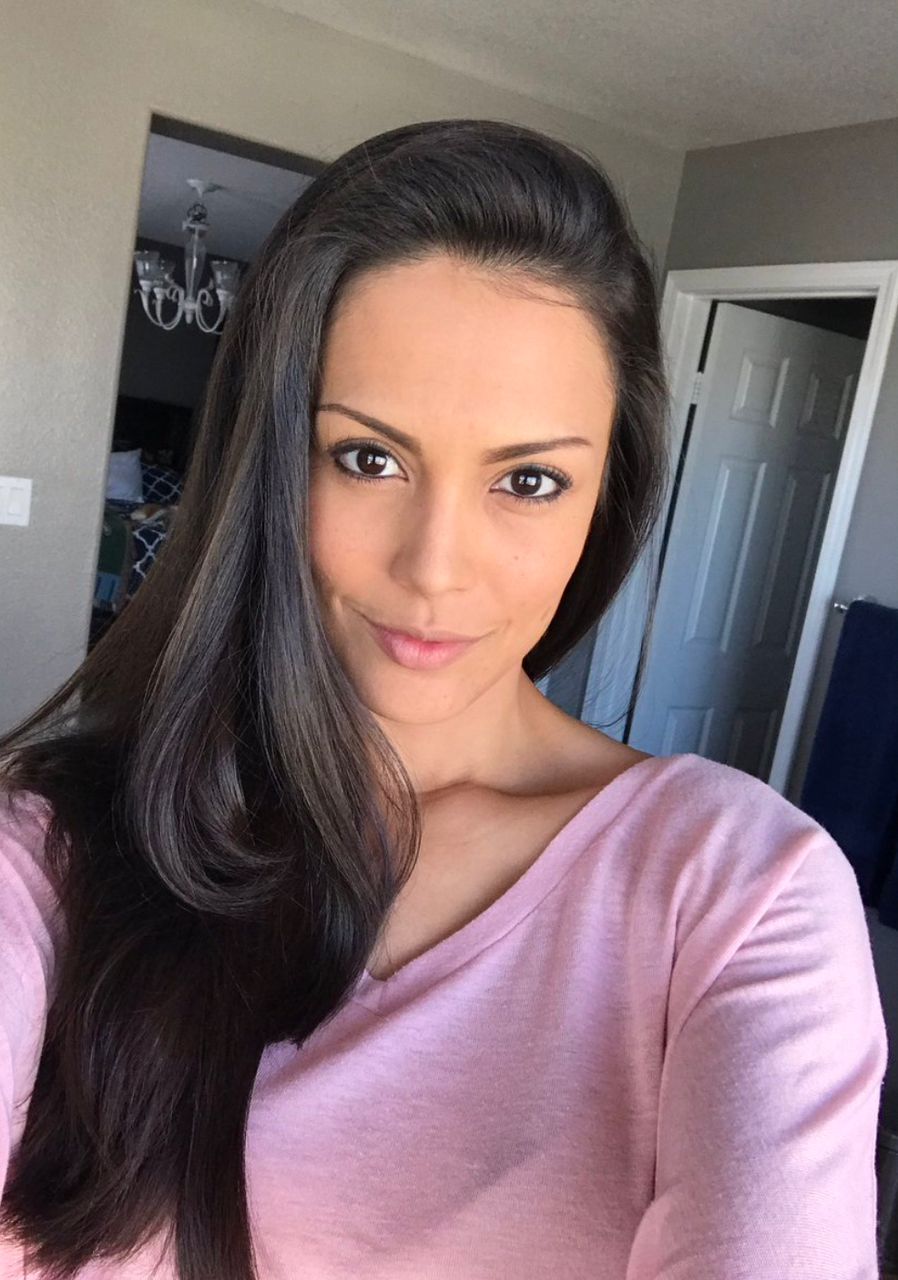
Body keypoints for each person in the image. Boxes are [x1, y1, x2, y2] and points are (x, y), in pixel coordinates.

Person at [0, 118, 887, 1280]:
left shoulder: (737, 895)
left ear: (604, 497)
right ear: (271, 462)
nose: (434, 568)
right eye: (367, 457)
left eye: (528, 479)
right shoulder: (55, 847)